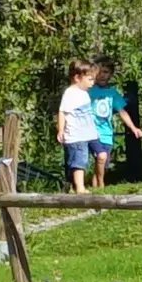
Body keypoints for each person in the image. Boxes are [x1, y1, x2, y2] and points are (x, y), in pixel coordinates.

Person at [55, 60, 106, 191]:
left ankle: (99, 183)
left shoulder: (84, 94)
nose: (92, 83)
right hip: (77, 135)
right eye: (89, 79)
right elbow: (62, 112)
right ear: (77, 78)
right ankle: (80, 188)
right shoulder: (70, 93)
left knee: (102, 155)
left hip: (90, 133)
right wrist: (61, 130)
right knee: (79, 162)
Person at [93, 70, 142, 184]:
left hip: (106, 133)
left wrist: (134, 128)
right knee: (99, 158)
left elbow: (122, 111)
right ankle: (98, 186)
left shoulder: (113, 93)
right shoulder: (88, 91)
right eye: (100, 71)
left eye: (106, 72)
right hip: (92, 133)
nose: (103, 75)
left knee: (102, 163)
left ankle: (96, 190)